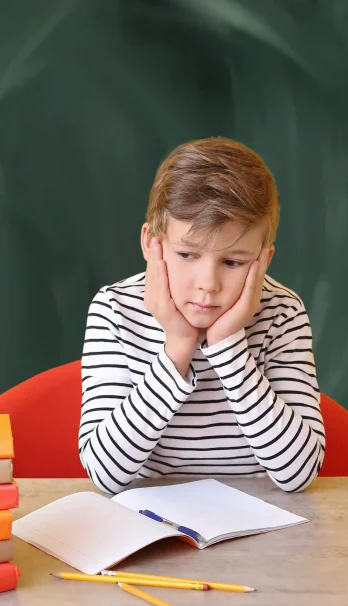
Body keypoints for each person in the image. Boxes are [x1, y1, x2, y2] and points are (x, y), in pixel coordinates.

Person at [79, 136, 325, 494]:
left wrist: (227, 345)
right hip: (149, 522)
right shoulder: (115, 309)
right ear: (152, 244)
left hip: (258, 525)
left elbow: (298, 474)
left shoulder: (282, 313)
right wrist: (178, 346)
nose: (208, 284)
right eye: (187, 255)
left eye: (234, 262)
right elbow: (105, 474)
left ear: (264, 259)